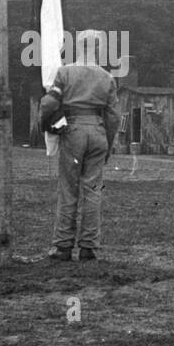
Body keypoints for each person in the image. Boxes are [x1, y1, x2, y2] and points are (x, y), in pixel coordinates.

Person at [40, 29, 122, 262]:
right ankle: (89, 246)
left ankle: (63, 245)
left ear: (77, 46)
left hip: (73, 130)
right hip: (98, 131)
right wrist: (108, 140)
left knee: (68, 188)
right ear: (98, 49)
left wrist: (44, 124)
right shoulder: (107, 77)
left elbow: (48, 104)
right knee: (93, 190)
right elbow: (114, 116)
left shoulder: (64, 72)